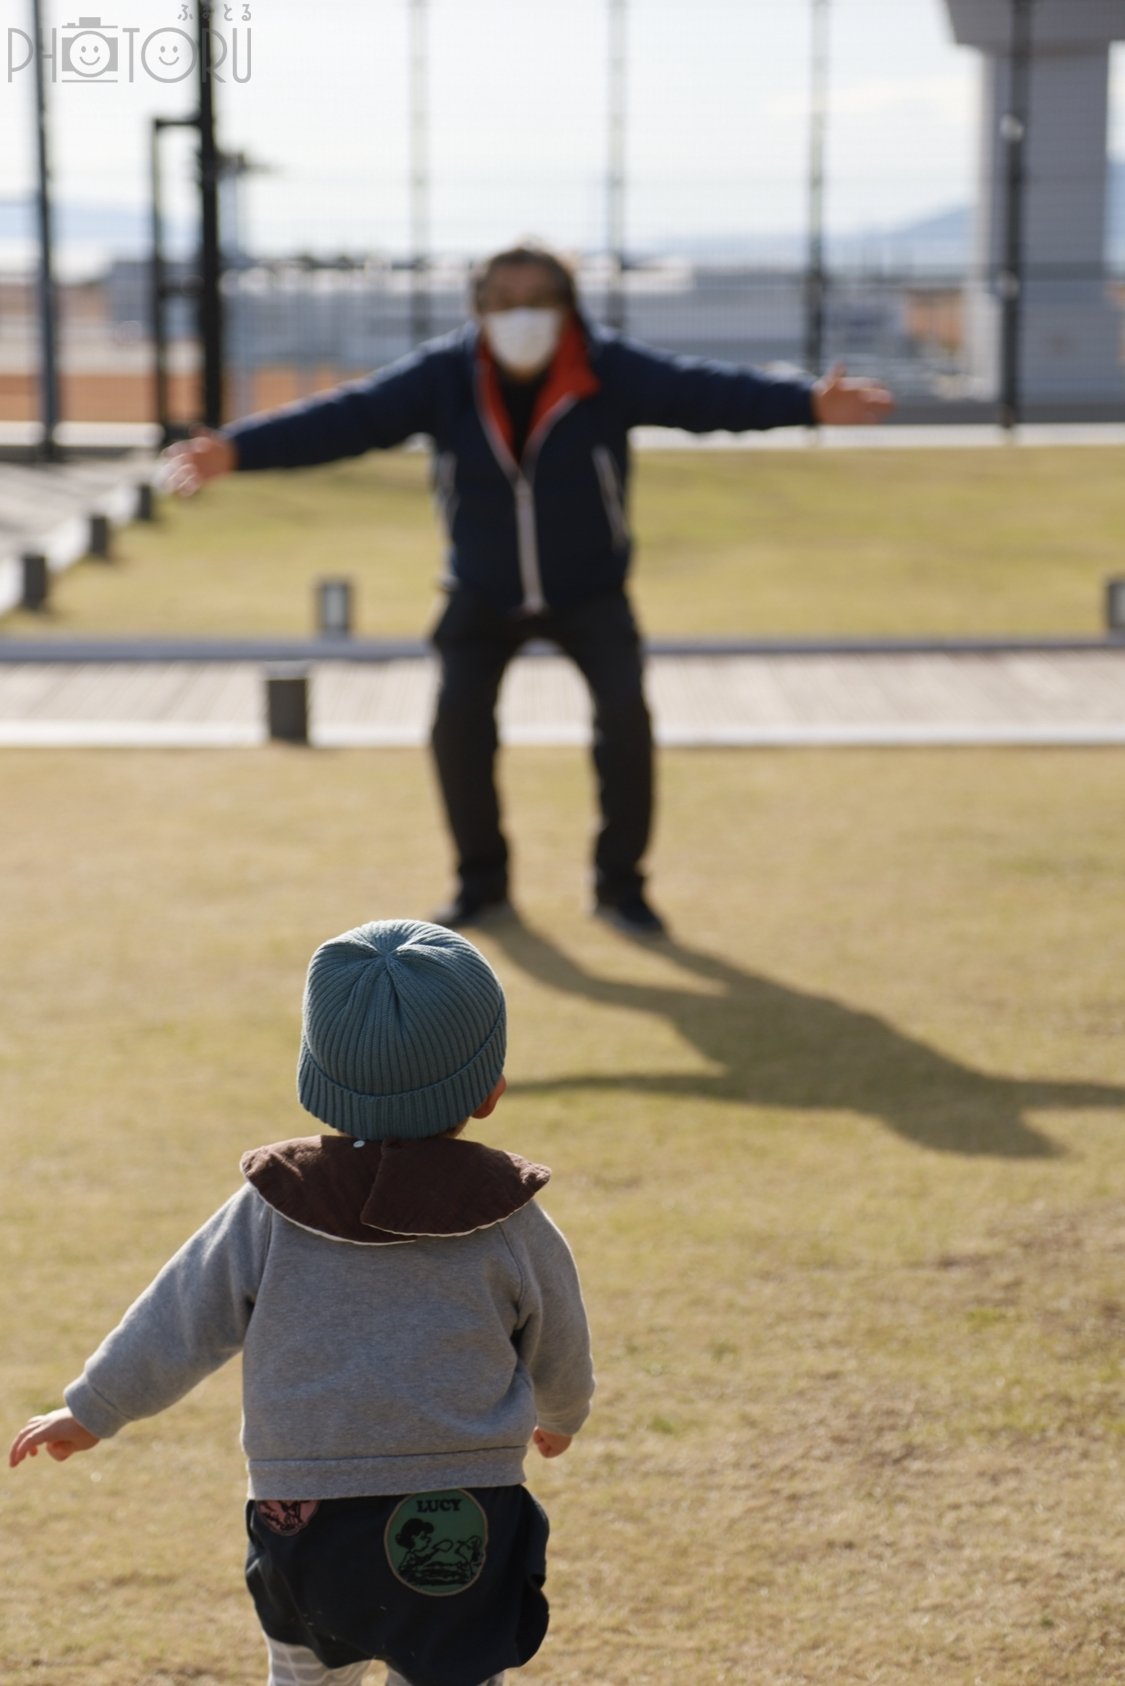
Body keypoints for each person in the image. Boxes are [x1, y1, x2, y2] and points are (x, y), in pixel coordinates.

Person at [162, 243, 893, 936]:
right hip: (480, 591)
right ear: (477, 308)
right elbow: (349, 418)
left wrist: (805, 404)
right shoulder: (444, 375)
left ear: (568, 305)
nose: (521, 313)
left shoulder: (607, 368)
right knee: (457, 728)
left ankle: (621, 888)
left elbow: (705, 394)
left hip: (591, 590)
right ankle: (480, 885)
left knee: (625, 724)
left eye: (539, 297)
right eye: (503, 299)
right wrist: (238, 451)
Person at [9, 918, 595, 1686]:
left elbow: (181, 1314)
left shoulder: (272, 1205)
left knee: (306, 1669)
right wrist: (561, 1414)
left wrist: (95, 1406)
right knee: (455, 1665)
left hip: (305, 1512)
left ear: (313, 1079)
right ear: (490, 1092)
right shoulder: (506, 1214)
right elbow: (559, 1336)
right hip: (465, 1506)